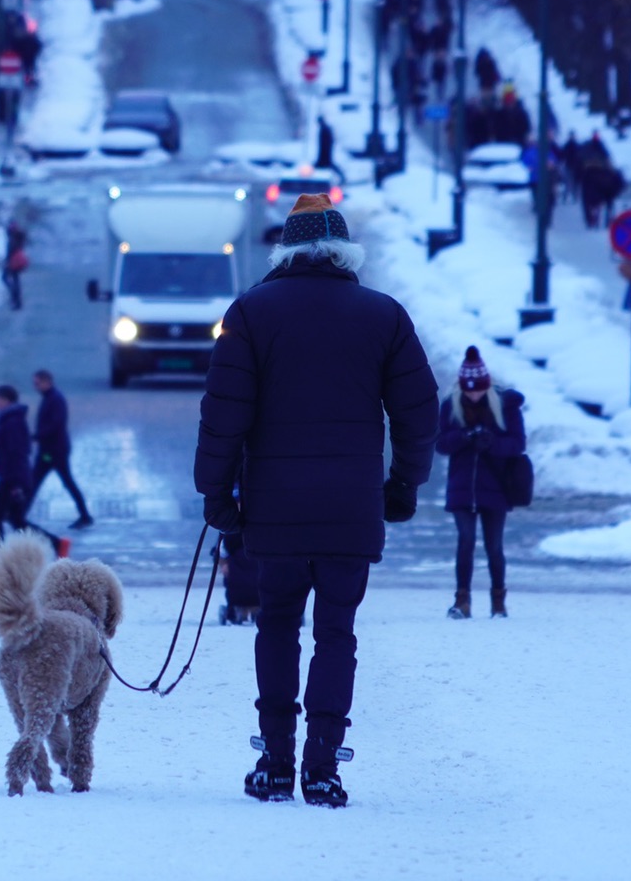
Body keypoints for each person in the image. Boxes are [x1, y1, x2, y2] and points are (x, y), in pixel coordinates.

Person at [195, 193, 438, 808]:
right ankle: (324, 764)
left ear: (287, 248)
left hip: (273, 510)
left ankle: (275, 761)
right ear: (344, 249)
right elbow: (417, 412)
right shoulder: (382, 316)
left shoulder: (250, 314)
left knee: (275, 626)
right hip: (351, 508)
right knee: (337, 634)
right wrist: (403, 484)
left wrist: (217, 494)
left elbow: (223, 416)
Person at [435, 346, 523, 618]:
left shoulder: (504, 406)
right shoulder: (451, 405)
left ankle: (498, 601)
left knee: (494, 546)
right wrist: (465, 437)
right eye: (469, 390)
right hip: (462, 489)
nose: (474, 395)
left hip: (495, 488)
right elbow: (440, 444)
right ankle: (463, 600)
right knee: (466, 541)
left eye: (478, 390)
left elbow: (518, 443)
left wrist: (491, 443)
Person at [32, 369, 93, 529]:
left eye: (38, 383)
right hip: (52, 450)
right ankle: (85, 515)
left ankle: (17, 514)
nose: (35, 386)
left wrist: (36, 436)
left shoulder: (55, 400)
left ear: (47, 382)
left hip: (53, 451)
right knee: (44, 481)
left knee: (36, 481)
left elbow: (55, 425)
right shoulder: (51, 398)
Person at [0, 385, 39, 546]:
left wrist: (16, 484)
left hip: (12, 477)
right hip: (10, 475)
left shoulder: (12, 422)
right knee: (16, 521)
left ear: (5, 400)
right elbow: (3, 452)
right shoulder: (7, 419)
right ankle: (56, 544)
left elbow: (17, 452)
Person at [3, 226, 29, 311]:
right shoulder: (18, 237)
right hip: (16, 262)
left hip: (13, 262)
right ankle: (16, 301)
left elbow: (10, 251)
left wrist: (7, 263)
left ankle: (15, 299)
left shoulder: (13, 239)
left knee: (6, 278)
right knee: (15, 280)